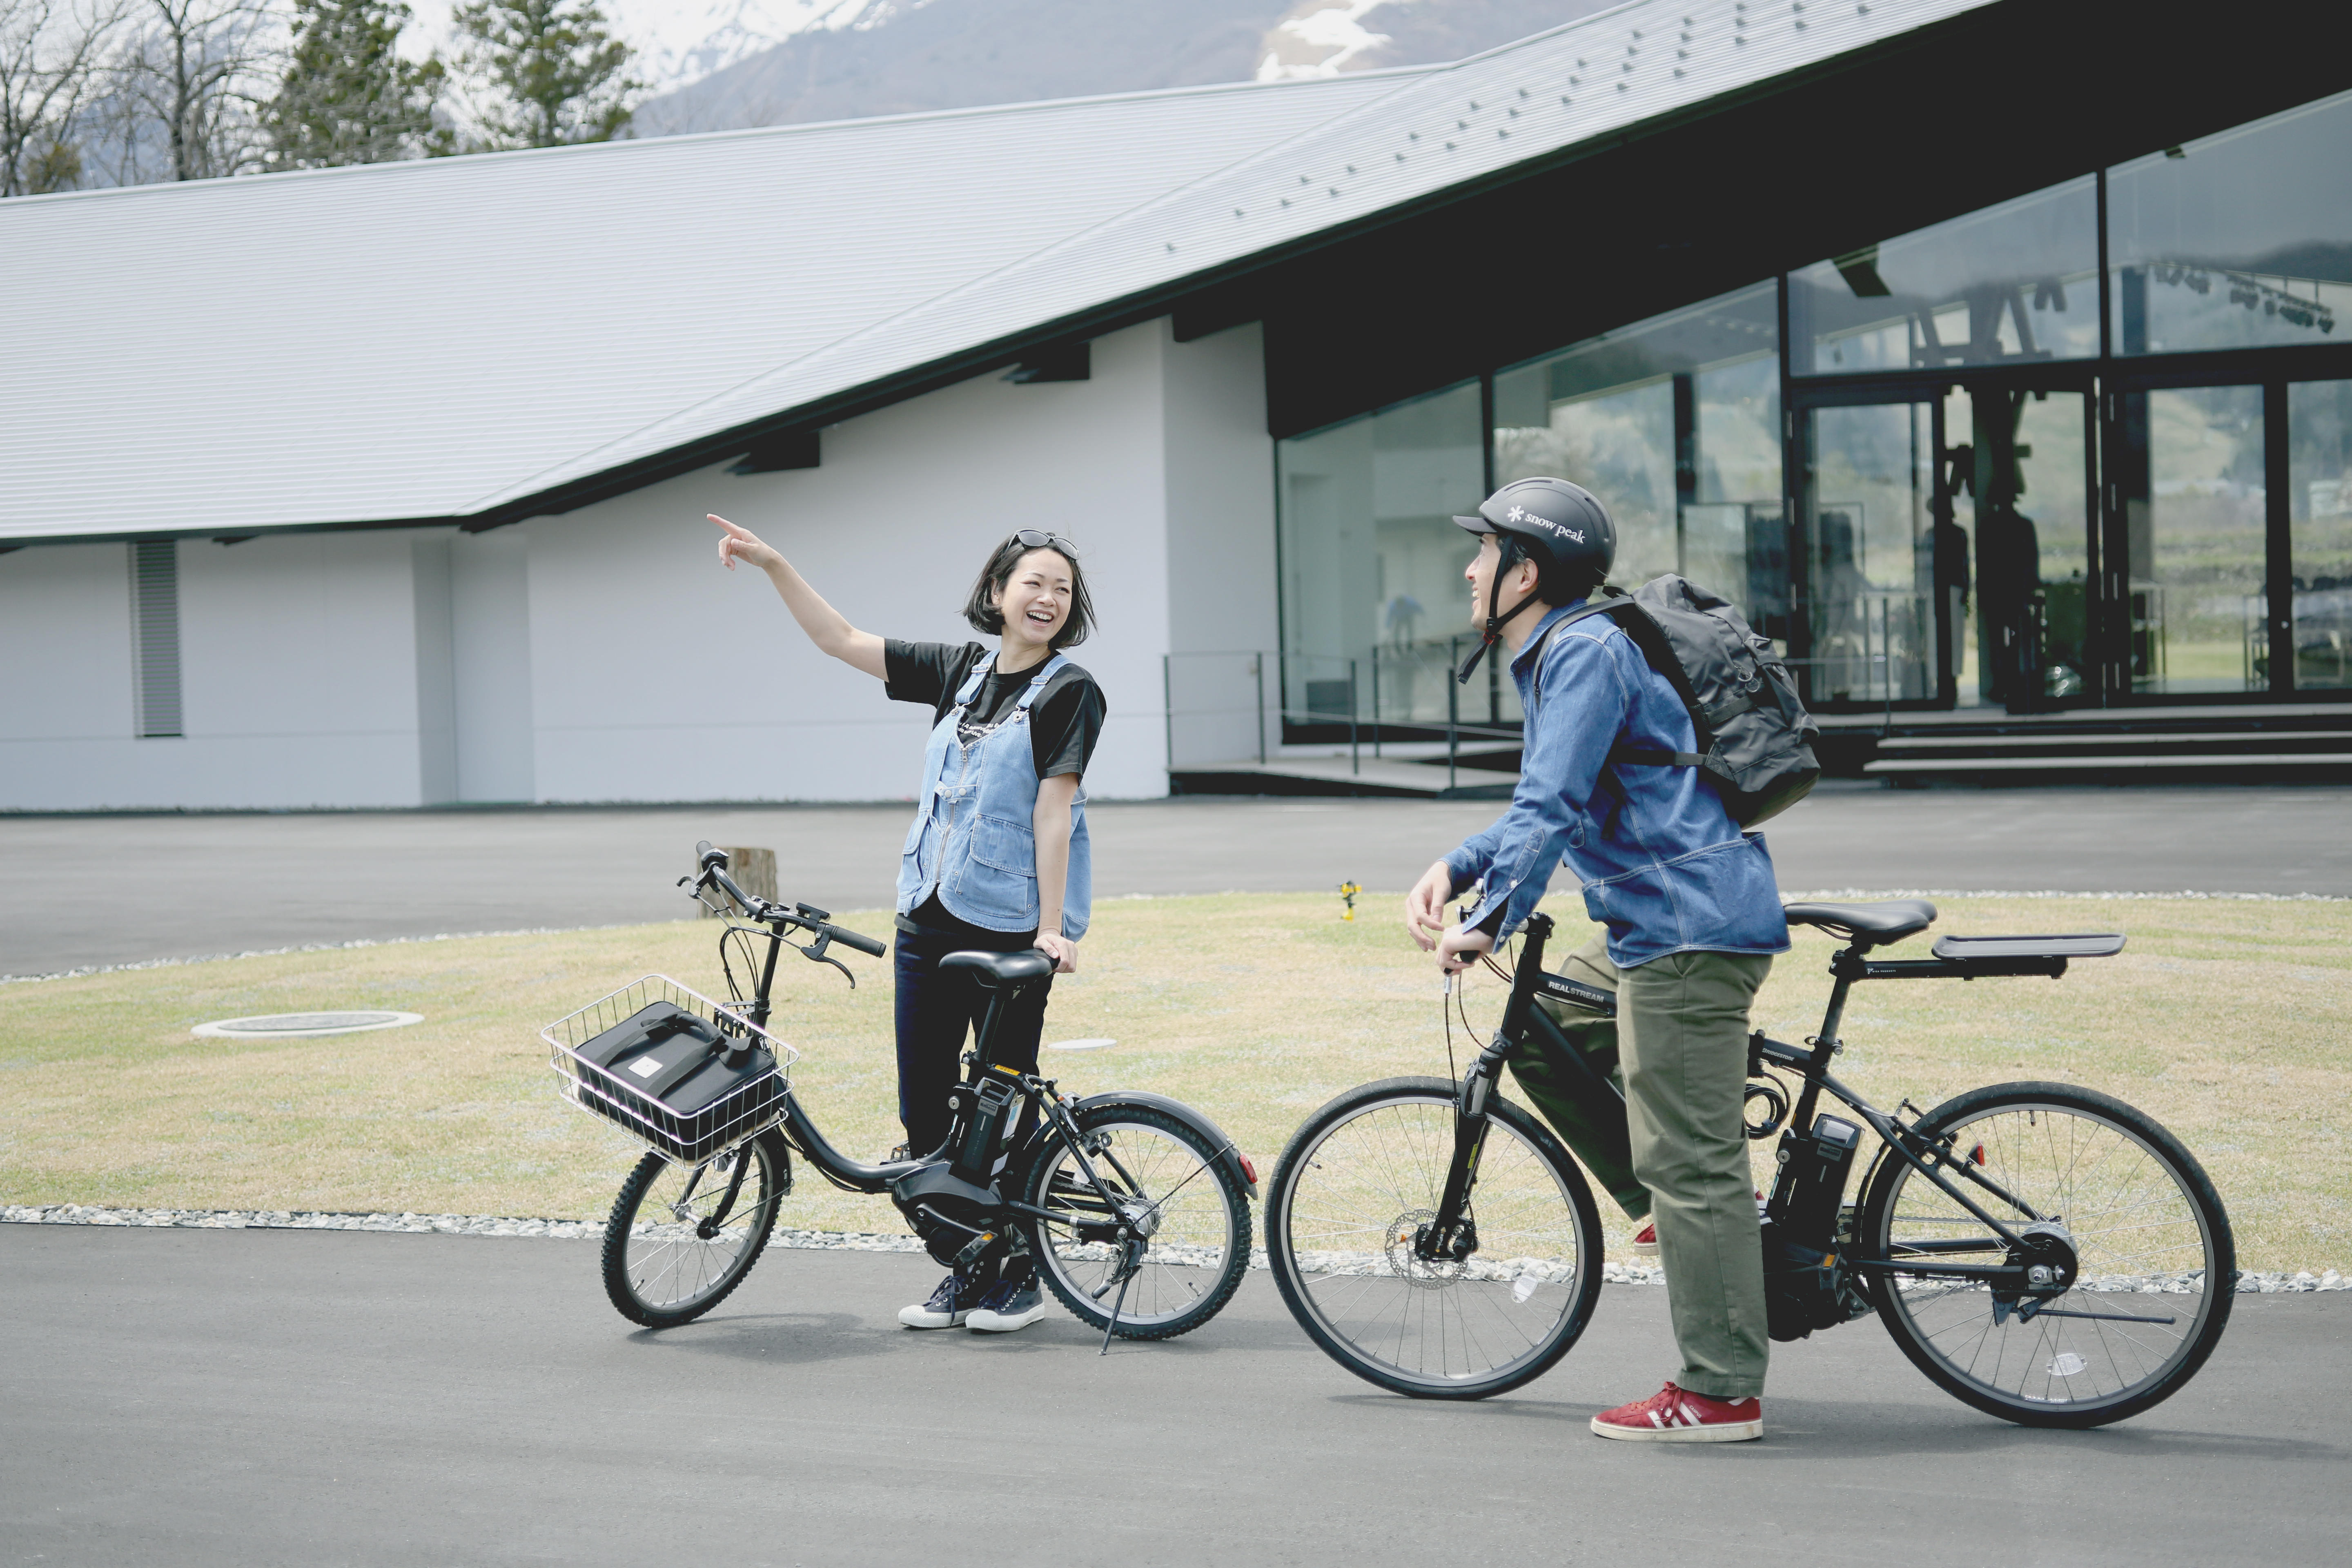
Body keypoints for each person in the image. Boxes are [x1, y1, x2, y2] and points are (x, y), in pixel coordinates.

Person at [1403, 477, 1789, 1443]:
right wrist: (1457, 865)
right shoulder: (1567, 652)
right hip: (1661, 922)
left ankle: (1718, 1388)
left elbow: (1553, 809)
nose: (1469, 567)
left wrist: (1487, 918)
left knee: (1692, 1159)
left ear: (1525, 572)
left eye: (1483, 554)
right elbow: (1547, 795)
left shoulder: (1582, 653)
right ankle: (1669, 1207)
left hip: (1686, 931)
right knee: (1540, 1019)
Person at [710, 514, 1106, 1336]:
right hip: (927, 913)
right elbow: (840, 638)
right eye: (1033, 582)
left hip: (1008, 928)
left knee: (996, 1106)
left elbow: (1054, 813)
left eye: (1062, 590)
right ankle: (969, 1265)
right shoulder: (957, 669)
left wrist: (1051, 931)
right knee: (925, 1113)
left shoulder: (1073, 691)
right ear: (997, 593)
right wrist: (777, 561)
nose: (1048, 598)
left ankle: (1017, 1273)